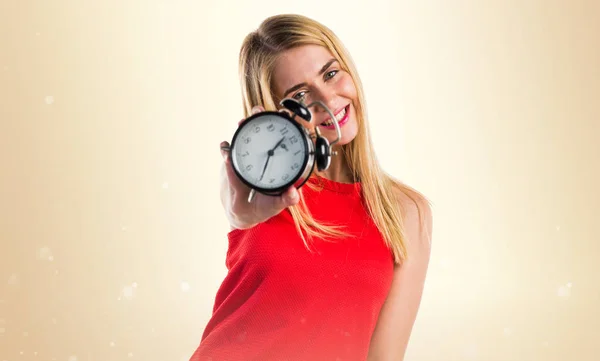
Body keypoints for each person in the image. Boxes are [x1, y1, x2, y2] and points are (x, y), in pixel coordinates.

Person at [189, 13, 433, 361]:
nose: (329, 100)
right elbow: (235, 206)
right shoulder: (261, 187)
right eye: (300, 94)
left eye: (331, 74)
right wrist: (239, 209)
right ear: (277, 112)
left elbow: (383, 356)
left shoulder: (407, 213)